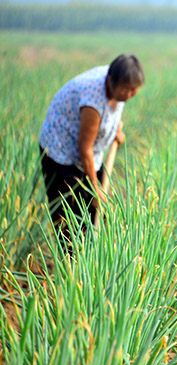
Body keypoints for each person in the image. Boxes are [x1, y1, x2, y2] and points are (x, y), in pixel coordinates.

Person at [38, 54, 144, 242]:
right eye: (126, 89)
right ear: (111, 82)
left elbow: (114, 109)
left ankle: (92, 259)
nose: (129, 94)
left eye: (133, 90)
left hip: (90, 154)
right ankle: (72, 266)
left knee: (96, 213)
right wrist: (94, 188)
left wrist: (116, 129)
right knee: (70, 221)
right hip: (62, 153)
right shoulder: (92, 101)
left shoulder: (117, 82)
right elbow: (84, 148)